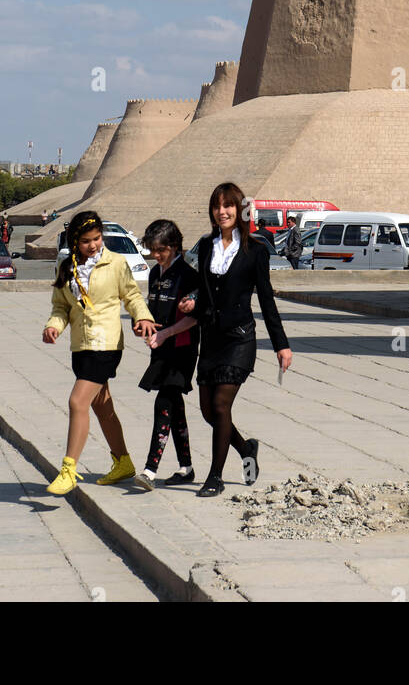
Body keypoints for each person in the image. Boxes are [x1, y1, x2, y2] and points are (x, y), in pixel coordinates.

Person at [179, 182, 292, 497]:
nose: (222, 212)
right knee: (207, 412)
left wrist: (281, 344)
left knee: (220, 404)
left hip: (240, 340)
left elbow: (267, 300)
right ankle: (246, 448)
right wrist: (191, 302)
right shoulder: (204, 247)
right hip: (211, 340)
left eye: (228, 205)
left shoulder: (255, 250)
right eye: (217, 206)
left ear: (240, 210)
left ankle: (214, 477)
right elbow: (201, 294)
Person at [42, 209, 155, 495]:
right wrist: (54, 326)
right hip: (81, 346)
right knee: (102, 407)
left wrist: (143, 318)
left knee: (77, 402)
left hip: (105, 344)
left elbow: (131, 295)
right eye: (86, 241)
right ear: (75, 242)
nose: (93, 245)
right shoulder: (66, 268)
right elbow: (61, 307)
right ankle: (123, 463)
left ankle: (69, 469)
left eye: (96, 238)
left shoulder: (115, 263)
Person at [135, 219, 200, 490]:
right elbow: (151, 311)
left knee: (163, 403)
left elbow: (196, 318)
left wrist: (166, 333)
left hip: (182, 348)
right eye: (152, 250)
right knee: (175, 408)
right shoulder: (154, 274)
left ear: (174, 247)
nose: (156, 255)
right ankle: (186, 467)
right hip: (160, 349)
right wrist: (142, 325)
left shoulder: (189, 275)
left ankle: (150, 469)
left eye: (160, 250)